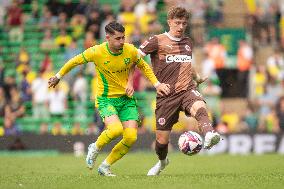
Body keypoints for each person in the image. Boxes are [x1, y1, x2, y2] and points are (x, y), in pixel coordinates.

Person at [48, 21, 170, 176]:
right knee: (116, 129)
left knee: (131, 137)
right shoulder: (97, 52)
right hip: (106, 99)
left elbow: (143, 66)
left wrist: (156, 84)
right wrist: (58, 76)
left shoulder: (130, 50)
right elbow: (74, 61)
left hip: (126, 100)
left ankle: (105, 166)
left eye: (123, 38)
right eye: (118, 38)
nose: (121, 42)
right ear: (108, 38)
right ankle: (95, 147)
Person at [136, 7, 221, 176]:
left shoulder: (188, 42)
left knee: (199, 106)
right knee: (161, 142)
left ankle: (210, 134)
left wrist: (196, 77)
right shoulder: (156, 40)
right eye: (177, 23)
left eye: (184, 23)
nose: (181, 26)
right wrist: (155, 83)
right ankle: (162, 162)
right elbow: (135, 59)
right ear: (169, 22)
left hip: (186, 89)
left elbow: (186, 64)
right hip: (166, 96)